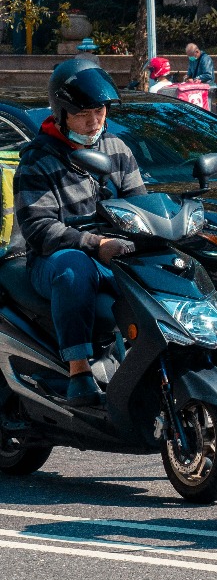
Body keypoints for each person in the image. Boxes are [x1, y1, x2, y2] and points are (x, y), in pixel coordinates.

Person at [13, 60, 146, 407]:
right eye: (82, 114)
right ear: (61, 114)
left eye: (99, 111)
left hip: (113, 255)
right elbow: (38, 228)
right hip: (54, 262)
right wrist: (94, 244)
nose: (93, 122)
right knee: (74, 266)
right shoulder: (38, 160)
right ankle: (79, 371)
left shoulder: (117, 149)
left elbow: (141, 207)